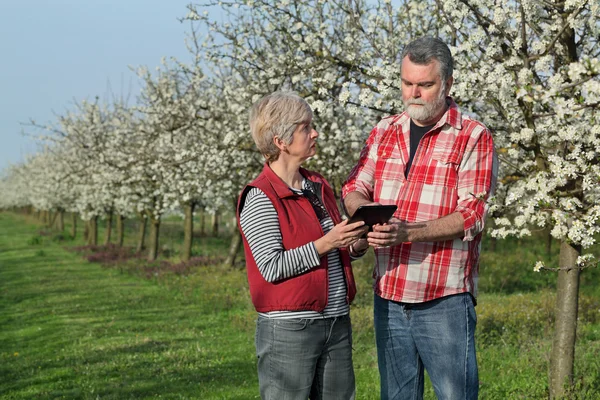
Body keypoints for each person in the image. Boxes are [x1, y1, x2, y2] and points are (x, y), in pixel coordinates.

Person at [342, 36, 498, 400]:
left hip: (443, 298)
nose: (414, 92)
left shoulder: (473, 137)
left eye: (425, 85)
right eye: (407, 83)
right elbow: (354, 185)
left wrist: (407, 232)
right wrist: (364, 216)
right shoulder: (384, 130)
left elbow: (472, 214)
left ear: (448, 84)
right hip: (389, 294)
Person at [237, 91, 369, 400]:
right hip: (290, 330)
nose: (315, 133)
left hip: (336, 322)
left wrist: (356, 244)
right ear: (281, 140)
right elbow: (271, 266)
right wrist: (325, 243)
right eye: (305, 127)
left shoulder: (317, 185)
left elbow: (334, 248)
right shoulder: (260, 197)